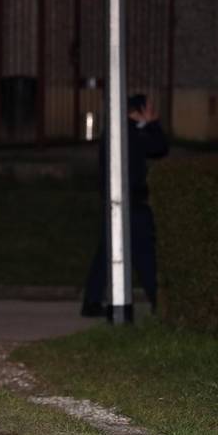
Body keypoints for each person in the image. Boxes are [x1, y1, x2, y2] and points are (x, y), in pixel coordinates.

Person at [81, 93, 169, 317]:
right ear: (139, 111)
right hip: (132, 204)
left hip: (115, 201)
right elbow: (159, 148)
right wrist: (153, 124)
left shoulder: (118, 132)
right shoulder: (132, 134)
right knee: (144, 253)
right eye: (149, 109)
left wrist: (144, 124)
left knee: (106, 252)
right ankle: (158, 304)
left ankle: (91, 302)